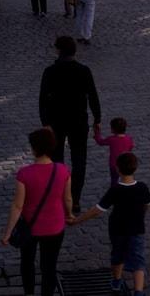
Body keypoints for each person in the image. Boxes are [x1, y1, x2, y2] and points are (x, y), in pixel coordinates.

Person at [0, 127, 74, 296]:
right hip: (55, 226)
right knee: (49, 266)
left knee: (27, 263)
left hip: (30, 228)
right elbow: (68, 199)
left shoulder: (24, 174)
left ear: (34, 148)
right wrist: (69, 214)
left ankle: (29, 293)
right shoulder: (63, 170)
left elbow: (17, 206)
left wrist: (8, 233)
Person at [71, 150, 150, 294]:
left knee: (117, 255)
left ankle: (116, 281)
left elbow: (98, 210)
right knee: (138, 260)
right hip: (137, 229)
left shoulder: (115, 189)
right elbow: (147, 204)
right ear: (135, 168)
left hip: (117, 229)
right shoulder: (142, 187)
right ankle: (138, 291)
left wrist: (77, 220)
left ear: (117, 169)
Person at [38, 36, 100, 209]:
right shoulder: (84, 70)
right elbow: (93, 96)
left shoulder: (50, 71)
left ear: (58, 50)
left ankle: (60, 196)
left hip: (56, 121)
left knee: (57, 161)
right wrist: (97, 118)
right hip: (78, 121)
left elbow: (43, 100)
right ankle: (75, 199)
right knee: (79, 160)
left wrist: (45, 122)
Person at [93, 118, 135, 183]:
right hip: (126, 163)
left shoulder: (111, 139)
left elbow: (100, 142)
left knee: (114, 180)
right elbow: (131, 147)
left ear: (113, 129)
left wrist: (97, 133)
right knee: (126, 179)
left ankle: (115, 188)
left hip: (114, 164)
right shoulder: (129, 139)